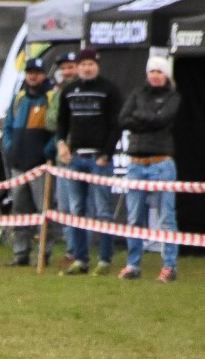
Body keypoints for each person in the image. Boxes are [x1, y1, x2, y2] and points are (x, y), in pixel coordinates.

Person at [55, 48, 122, 276]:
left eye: (90, 64)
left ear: (97, 65)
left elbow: (116, 125)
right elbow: (62, 121)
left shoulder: (109, 90)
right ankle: (80, 259)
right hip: (76, 158)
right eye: (83, 64)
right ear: (77, 67)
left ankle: (104, 259)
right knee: (77, 210)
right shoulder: (69, 91)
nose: (86, 68)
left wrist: (106, 154)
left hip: (99, 159)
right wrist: (61, 143)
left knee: (103, 211)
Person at [117, 55, 181, 282]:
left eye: (159, 72)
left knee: (167, 217)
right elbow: (123, 119)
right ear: (147, 73)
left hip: (162, 161)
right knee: (134, 217)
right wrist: (151, 117)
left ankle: (169, 266)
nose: (155, 75)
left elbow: (164, 120)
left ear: (166, 75)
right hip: (136, 163)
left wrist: (139, 117)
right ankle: (133, 265)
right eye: (152, 71)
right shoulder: (137, 93)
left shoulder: (173, 97)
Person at [1, 57, 56, 266]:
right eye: (29, 72)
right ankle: (20, 252)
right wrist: (9, 147)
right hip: (18, 165)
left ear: (44, 75)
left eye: (37, 72)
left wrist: (46, 152)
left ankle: (43, 253)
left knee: (44, 211)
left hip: (41, 165)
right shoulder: (19, 98)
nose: (33, 76)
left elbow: (57, 129)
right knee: (19, 210)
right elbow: (7, 127)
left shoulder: (51, 97)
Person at [44, 51, 77, 265]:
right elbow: (49, 121)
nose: (66, 71)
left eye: (70, 67)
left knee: (80, 207)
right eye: (63, 68)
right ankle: (71, 249)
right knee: (64, 206)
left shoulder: (84, 90)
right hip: (62, 156)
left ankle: (79, 251)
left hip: (80, 154)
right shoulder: (58, 92)